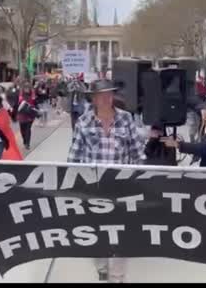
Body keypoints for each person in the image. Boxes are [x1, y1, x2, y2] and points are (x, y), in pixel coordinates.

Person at [68, 79, 145, 283]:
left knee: (122, 235)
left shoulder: (127, 119)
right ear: (93, 99)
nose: (106, 98)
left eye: (109, 94)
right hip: (94, 190)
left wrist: (141, 180)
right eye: (101, 95)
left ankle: (118, 277)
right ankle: (102, 269)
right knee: (97, 233)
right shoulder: (83, 122)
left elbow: (138, 154)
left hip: (123, 188)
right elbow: (74, 159)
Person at [17, 83, 38, 150]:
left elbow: (36, 103)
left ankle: (27, 143)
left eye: (28, 88)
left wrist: (35, 106)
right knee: (22, 130)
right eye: (25, 88)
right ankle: (24, 140)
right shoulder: (20, 95)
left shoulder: (32, 95)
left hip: (30, 114)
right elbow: (17, 104)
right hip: (22, 115)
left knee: (28, 129)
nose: (27, 89)